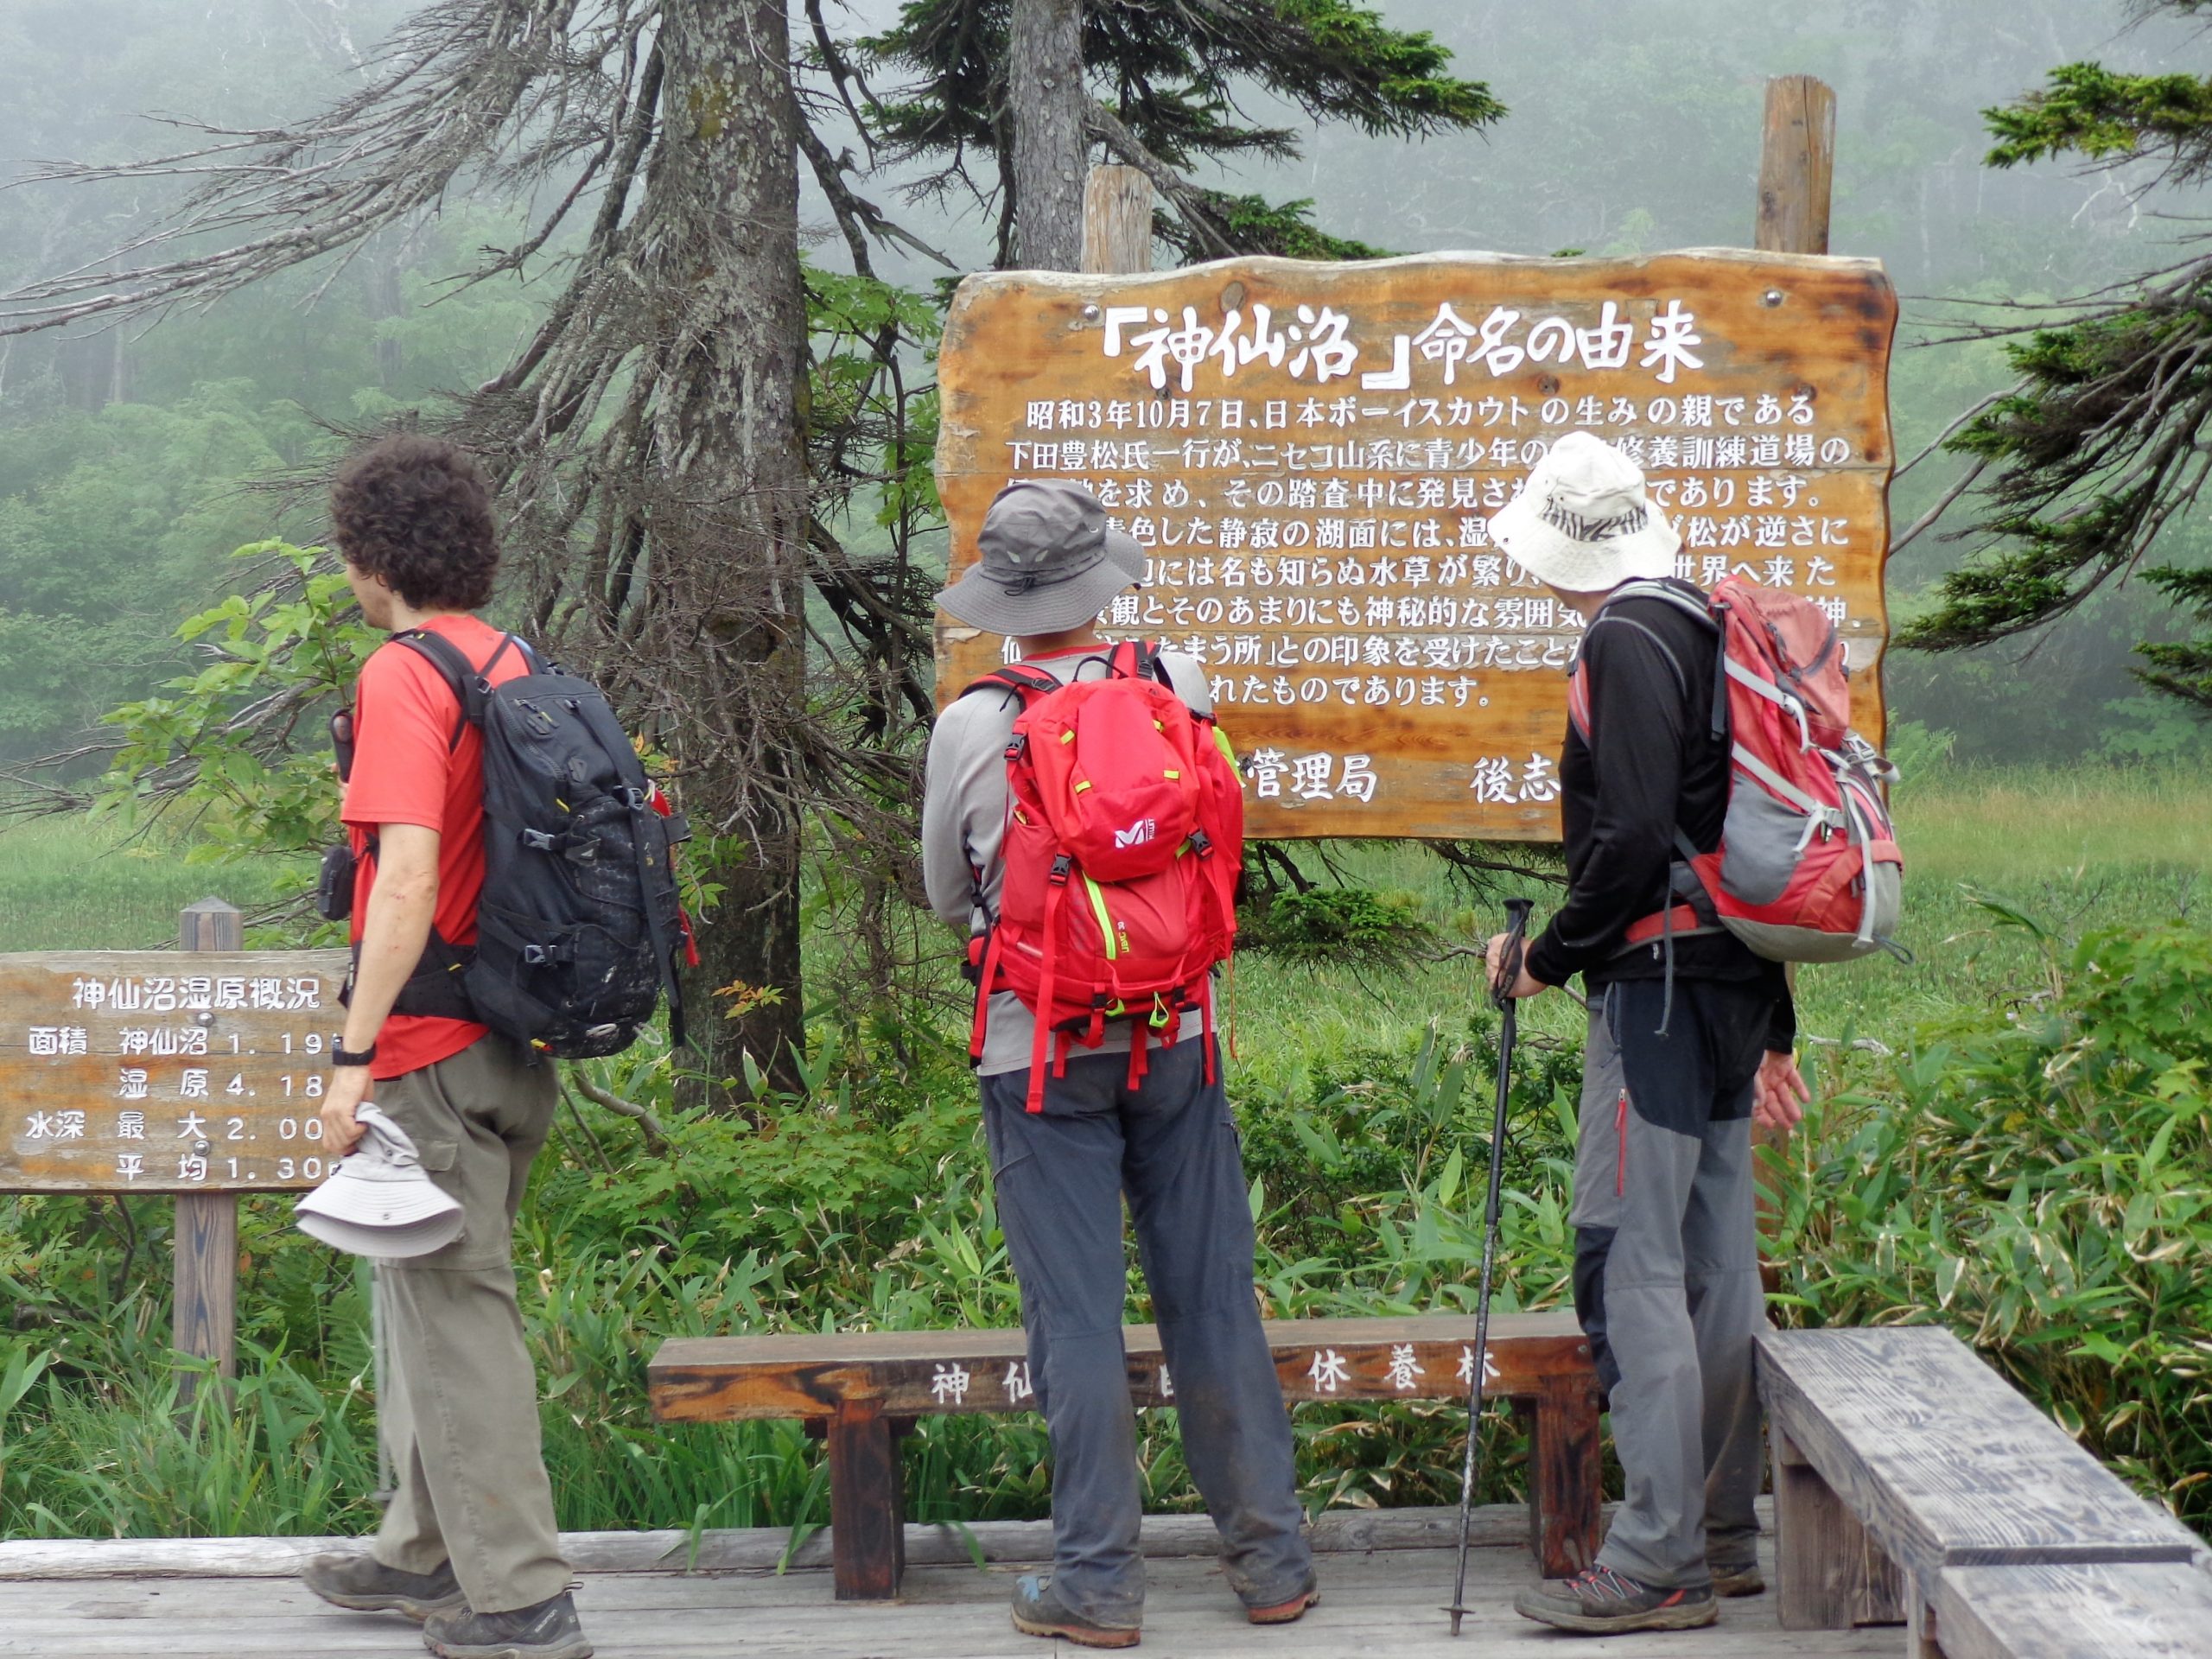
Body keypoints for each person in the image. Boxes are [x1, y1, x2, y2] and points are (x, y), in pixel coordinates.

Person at [922, 479, 1318, 1649]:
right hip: (1179, 1033)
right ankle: (1273, 1562)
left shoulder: (971, 723)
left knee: (1076, 1317)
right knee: (1212, 1301)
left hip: (1039, 1051)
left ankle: (1098, 1584)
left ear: (1006, 597)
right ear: (1104, 584)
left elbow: (950, 898)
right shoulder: (1175, 686)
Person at [1481, 432, 1809, 1637]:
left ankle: (1656, 1559)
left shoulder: (1623, 636)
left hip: (1657, 996)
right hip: (1734, 984)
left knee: (1632, 1263)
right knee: (1720, 1270)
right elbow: (1742, 834)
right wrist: (1777, 1021)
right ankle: (1722, 1536)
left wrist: (1545, 961)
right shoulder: (1711, 622)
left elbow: (1624, 839)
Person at [301, 435, 591, 1659]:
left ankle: (522, 1598)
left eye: (350, 558)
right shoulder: (516, 662)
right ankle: (418, 1549)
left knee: (457, 1305)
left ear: (375, 561)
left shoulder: (403, 676)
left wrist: (352, 1056)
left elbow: (408, 875)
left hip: (428, 1042)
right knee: (428, 1294)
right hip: (518, 1040)